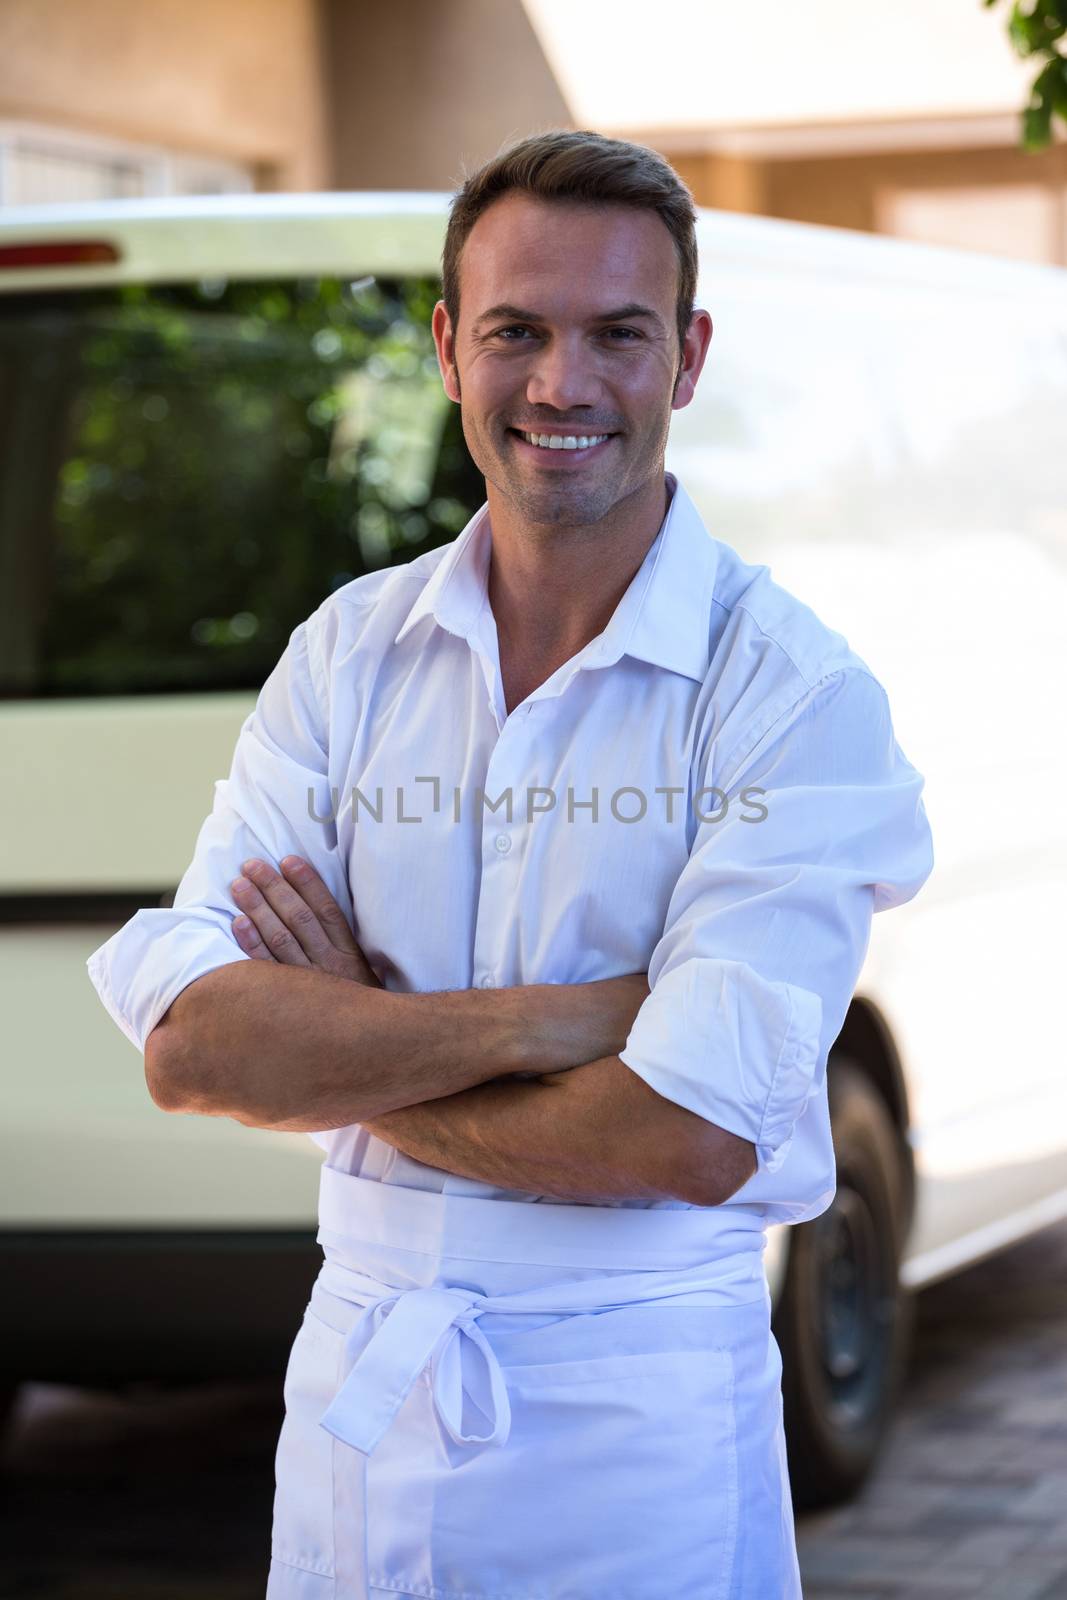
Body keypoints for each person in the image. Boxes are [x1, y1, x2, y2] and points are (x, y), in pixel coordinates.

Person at [87, 128, 935, 1599]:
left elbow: (688, 1136)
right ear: (445, 347)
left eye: (618, 333)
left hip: (635, 1438)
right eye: (516, 332)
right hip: (356, 1417)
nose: (563, 384)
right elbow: (193, 1046)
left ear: (687, 357)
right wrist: (560, 1022)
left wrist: (352, 1040)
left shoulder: (791, 696)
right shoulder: (348, 653)